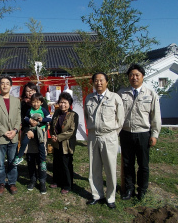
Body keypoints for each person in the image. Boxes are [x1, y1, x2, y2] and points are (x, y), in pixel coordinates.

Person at [118, 64, 161, 201]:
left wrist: (154, 134)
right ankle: (129, 189)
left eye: (137, 75)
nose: (134, 78)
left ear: (142, 76)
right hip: (126, 133)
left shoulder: (150, 94)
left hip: (143, 133)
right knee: (127, 163)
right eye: (131, 75)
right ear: (128, 77)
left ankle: (142, 190)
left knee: (143, 165)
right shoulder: (122, 93)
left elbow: (156, 116)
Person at [84, 73, 124, 209]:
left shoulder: (115, 98)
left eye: (101, 80)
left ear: (106, 82)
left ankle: (110, 197)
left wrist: (112, 134)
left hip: (109, 137)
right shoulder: (89, 98)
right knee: (94, 168)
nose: (98, 83)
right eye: (96, 81)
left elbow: (120, 119)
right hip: (93, 136)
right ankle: (97, 195)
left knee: (110, 168)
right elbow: (87, 116)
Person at [0, 76, 21, 196]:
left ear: (11, 86)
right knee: (0, 163)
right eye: (2, 83)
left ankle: (12, 183)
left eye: (7, 83)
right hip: (0, 136)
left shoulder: (16, 101)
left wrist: (15, 130)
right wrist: (4, 131)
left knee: (13, 162)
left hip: (13, 136)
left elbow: (18, 117)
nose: (5, 85)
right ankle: (1, 183)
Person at [20, 82, 49, 194]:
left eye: (32, 90)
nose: (30, 92)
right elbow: (22, 118)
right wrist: (28, 123)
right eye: (27, 91)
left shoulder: (42, 102)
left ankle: (42, 181)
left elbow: (46, 119)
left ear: (36, 91)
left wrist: (36, 125)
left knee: (41, 157)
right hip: (28, 133)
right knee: (31, 157)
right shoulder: (23, 104)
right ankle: (32, 179)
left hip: (40, 133)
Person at [13, 93, 51, 172]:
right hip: (32, 129)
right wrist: (29, 120)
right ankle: (19, 157)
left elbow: (49, 118)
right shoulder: (30, 110)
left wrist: (42, 119)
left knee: (41, 145)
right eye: (34, 102)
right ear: (31, 103)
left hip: (40, 130)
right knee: (24, 142)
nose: (35, 104)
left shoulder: (42, 110)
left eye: (37, 102)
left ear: (41, 103)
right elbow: (25, 117)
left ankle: (43, 161)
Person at [49, 92, 79, 194]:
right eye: (61, 102)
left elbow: (72, 131)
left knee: (66, 164)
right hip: (56, 143)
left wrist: (58, 137)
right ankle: (56, 181)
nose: (62, 104)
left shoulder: (73, 115)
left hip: (66, 143)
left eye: (65, 102)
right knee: (56, 163)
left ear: (69, 103)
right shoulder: (57, 113)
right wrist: (53, 135)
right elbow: (52, 125)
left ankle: (67, 185)